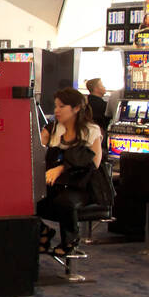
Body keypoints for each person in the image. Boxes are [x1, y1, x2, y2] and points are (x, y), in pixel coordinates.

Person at [37, 87, 104, 255]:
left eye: (61, 106)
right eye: (55, 106)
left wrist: (62, 168)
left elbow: (93, 164)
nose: (56, 111)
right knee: (26, 199)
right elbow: (36, 151)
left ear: (76, 108)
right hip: (56, 183)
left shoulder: (91, 131)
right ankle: (43, 231)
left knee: (64, 202)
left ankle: (71, 240)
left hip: (81, 184)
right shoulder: (53, 129)